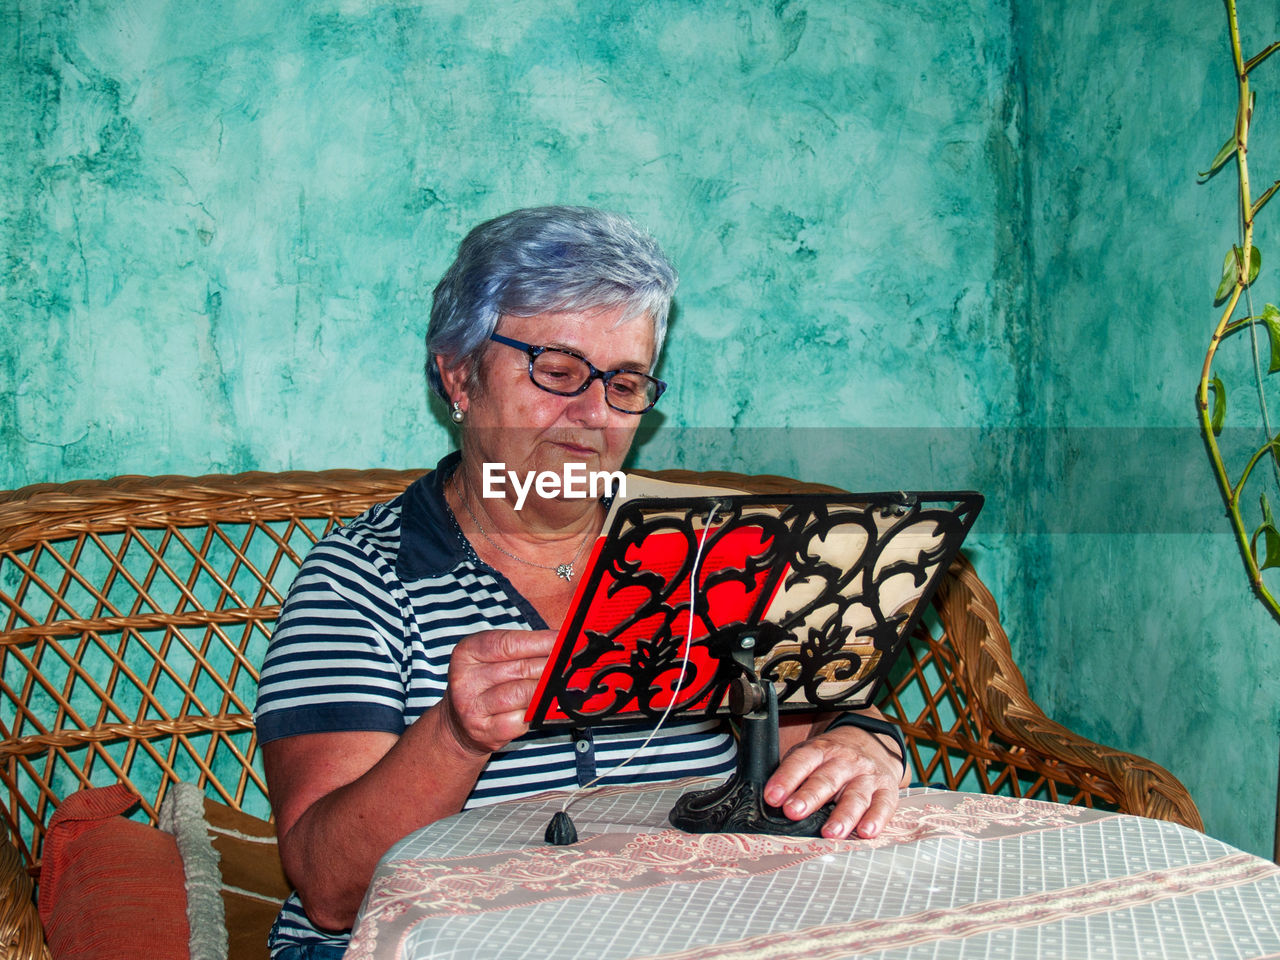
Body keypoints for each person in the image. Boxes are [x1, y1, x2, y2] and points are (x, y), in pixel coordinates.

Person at [254, 205, 908, 959]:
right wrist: (455, 735)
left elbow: (809, 729)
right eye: (557, 371)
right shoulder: (363, 579)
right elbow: (331, 891)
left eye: (625, 382)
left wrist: (863, 744)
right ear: (458, 373)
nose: (593, 413)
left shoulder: (707, 551)